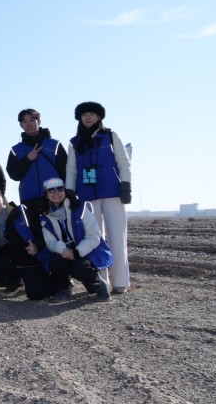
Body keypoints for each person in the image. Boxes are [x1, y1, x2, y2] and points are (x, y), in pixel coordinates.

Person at [66, 101, 132, 294]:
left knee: (117, 237)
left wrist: (126, 186)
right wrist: (70, 192)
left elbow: (123, 162)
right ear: (79, 118)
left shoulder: (110, 136)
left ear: (99, 116)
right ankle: (101, 281)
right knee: (95, 238)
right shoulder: (74, 142)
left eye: (92, 114)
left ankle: (120, 282)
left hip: (112, 193)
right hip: (86, 196)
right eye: (84, 114)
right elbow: (71, 170)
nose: (88, 117)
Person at [38, 178, 111, 301]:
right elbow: (50, 242)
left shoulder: (79, 208)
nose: (56, 193)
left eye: (59, 189)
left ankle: (99, 286)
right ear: (46, 194)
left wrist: (78, 252)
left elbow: (94, 235)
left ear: (65, 191)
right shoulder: (44, 216)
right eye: (51, 190)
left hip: (86, 250)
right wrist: (63, 250)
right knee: (56, 260)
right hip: (65, 251)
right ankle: (64, 288)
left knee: (79, 268)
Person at [6, 108, 68, 211]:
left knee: (60, 227)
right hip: (29, 198)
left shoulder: (54, 145)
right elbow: (14, 175)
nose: (28, 124)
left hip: (55, 197)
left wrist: (67, 192)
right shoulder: (16, 150)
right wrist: (28, 159)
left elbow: (66, 171)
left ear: (38, 121)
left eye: (32, 120)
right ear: (20, 125)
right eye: (24, 121)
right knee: (34, 227)